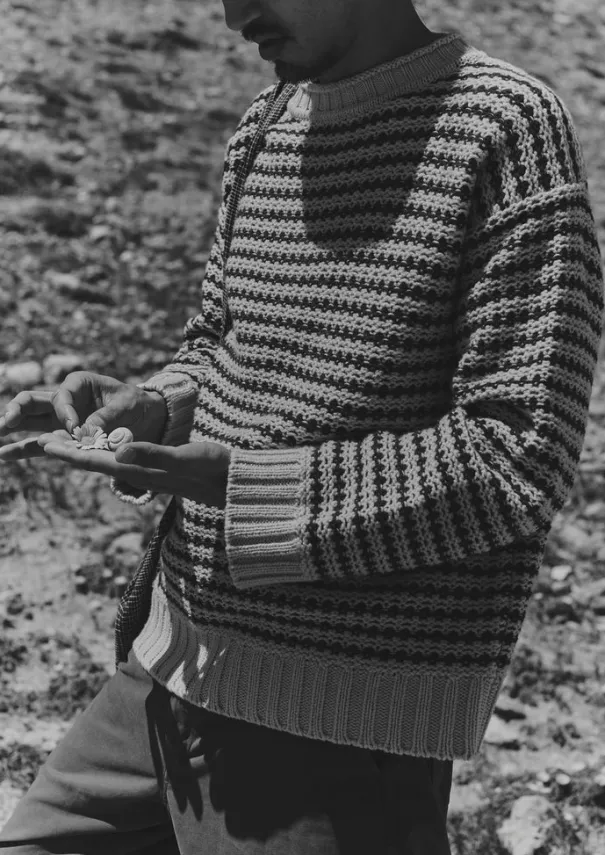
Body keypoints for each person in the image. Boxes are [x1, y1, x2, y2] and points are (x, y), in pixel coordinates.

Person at [0, 0, 603, 852]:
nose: (233, 14)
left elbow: (516, 459)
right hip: (167, 669)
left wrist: (241, 485)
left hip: (337, 722)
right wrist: (156, 403)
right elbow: (222, 342)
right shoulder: (267, 119)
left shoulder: (506, 130)